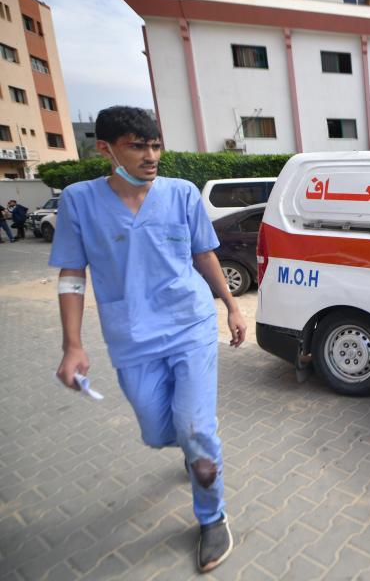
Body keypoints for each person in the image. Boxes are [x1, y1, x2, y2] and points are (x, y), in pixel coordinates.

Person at [50, 106, 246, 573]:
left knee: (197, 430)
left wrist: (233, 306)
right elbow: (73, 275)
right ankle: (192, 447)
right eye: (138, 145)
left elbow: (204, 255)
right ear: (106, 149)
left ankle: (211, 516)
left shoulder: (180, 195)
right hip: (131, 335)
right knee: (159, 432)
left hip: (190, 326)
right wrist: (72, 345)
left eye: (155, 145)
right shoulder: (79, 201)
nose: (151, 155)